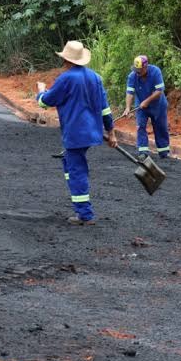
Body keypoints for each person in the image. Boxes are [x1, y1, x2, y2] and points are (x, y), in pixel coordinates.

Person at [37, 40, 117, 225]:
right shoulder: (95, 78)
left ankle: (85, 215)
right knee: (70, 163)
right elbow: (105, 109)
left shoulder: (66, 78)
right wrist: (111, 132)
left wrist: (40, 92)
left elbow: (47, 101)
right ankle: (78, 198)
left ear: (66, 59)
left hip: (75, 133)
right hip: (92, 132)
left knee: (76, 171)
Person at [124, 55, 170, 159]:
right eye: (136, 70)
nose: (137, 72)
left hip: (158, 105)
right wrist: (127, 108)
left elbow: (159, 91)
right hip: (141, 106)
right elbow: (130, 92)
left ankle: (163, 152)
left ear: (145, 67)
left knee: (160, 127)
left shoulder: (156, 72)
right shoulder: (132, 76)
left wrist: (147, 101)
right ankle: (143, 152)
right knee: (140, 126)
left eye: (139, 70)